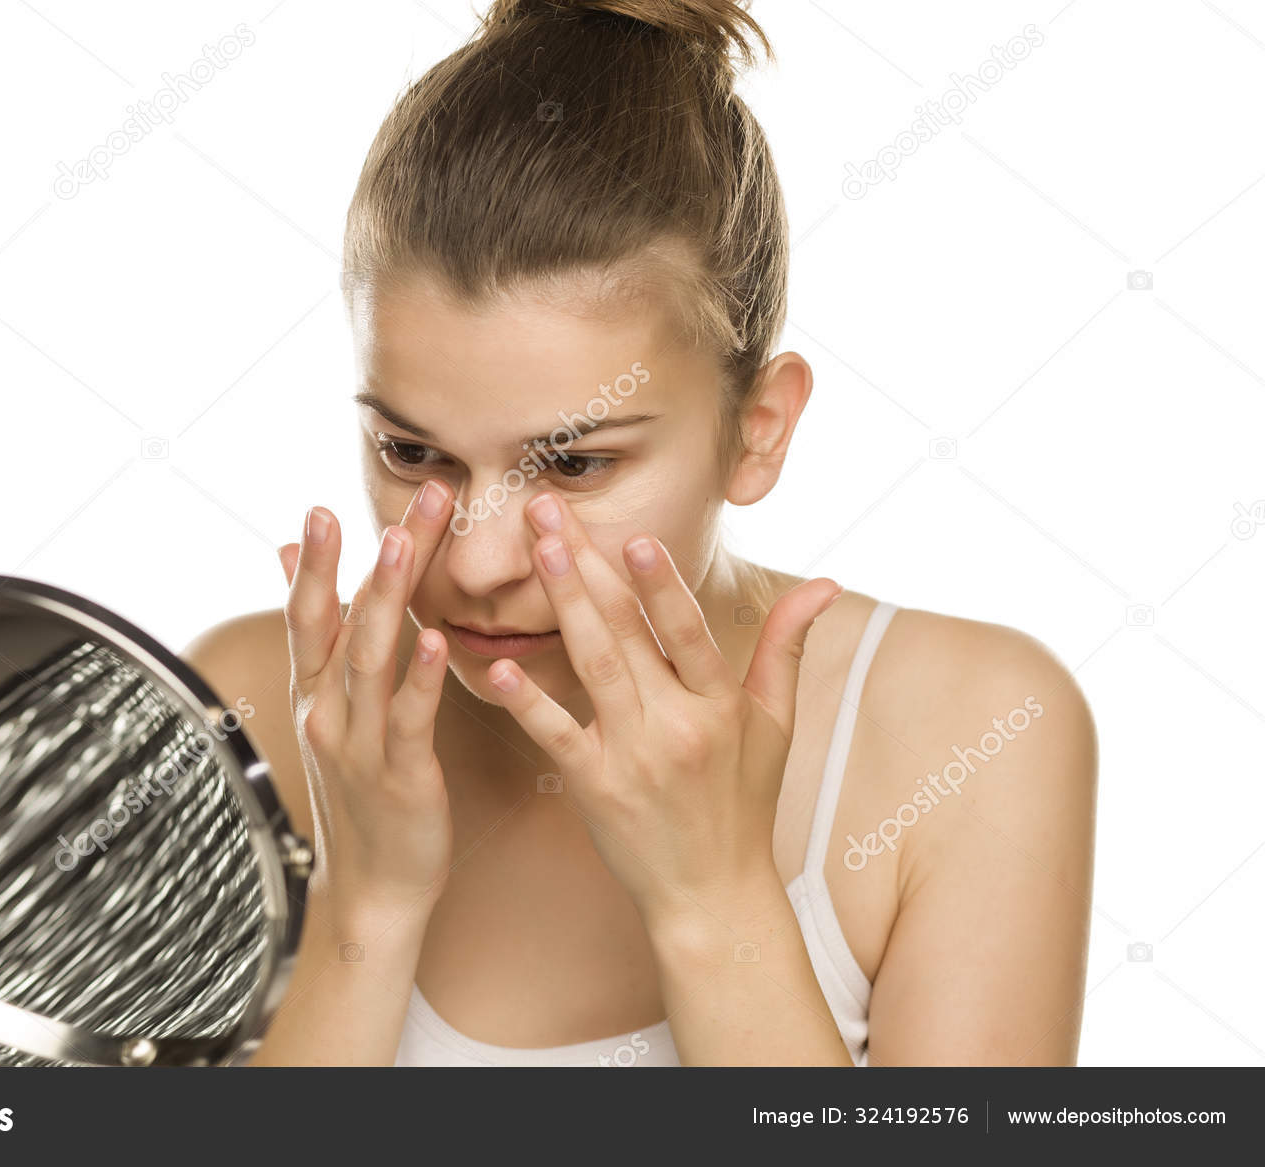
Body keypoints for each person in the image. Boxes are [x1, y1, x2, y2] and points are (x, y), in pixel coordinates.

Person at [184, 0, 1097, 1066]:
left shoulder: (971, 731)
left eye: (572, 465)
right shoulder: (249, 708)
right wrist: (364, 913)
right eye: (412, 455)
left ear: (757, 432)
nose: (476, 563)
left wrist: (713, 900)